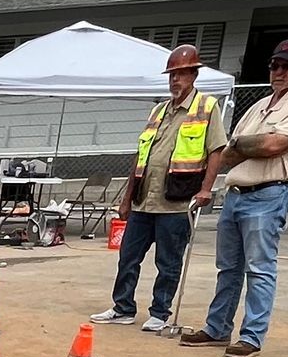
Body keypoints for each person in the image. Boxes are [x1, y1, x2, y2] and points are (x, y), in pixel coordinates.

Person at [181, 36, 288, 357]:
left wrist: (247, 145)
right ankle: (217, 328)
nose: (279, 71)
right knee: (228, 267)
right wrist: (249, 144)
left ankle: (252, 336)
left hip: (268, 193)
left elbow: (275, 145)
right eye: (275, 65)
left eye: (287, 65)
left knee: (259, 268)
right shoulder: (260, 106)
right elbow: (230, 152)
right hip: (236, 193)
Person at [95, 46, 226, 333]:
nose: (175, 80)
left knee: (168, 261)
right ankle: (123, 307)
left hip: (177, 202)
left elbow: (216, 150)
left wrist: (206, 189)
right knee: (128, 256)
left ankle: (160, 312)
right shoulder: (158, 110)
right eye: (172, 75)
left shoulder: (206, 107)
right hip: (145, 200)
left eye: (181, 74)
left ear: (193, 75)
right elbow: (141, 156)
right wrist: (127, 198)